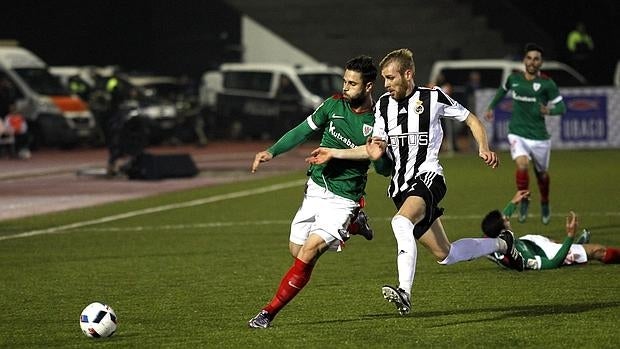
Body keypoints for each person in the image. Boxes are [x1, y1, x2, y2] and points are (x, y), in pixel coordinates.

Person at [307, 48, 524, 317]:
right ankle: (504, 244)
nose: (385, 84)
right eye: (384, 79)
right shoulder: (384, 106)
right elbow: (373, 148)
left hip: (429, 177)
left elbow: (471, 119)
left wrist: (483, 147)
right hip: (401, 188)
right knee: (446, 254)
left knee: (400, 222)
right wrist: (334, 152)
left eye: (390, 78)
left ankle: (404, 292)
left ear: (408, 74)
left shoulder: (432, 98)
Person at [247, 55, 379, 329]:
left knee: (308, 254)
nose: (345, 87)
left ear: (368, 86)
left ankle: (267, 313)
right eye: (344, 81)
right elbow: (302, 131)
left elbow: (385, 167)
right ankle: (355, 225)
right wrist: (272, 151)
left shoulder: (378, 120)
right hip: (316, 188)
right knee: (297, 252)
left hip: (344, 198)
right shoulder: (333, 105)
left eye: (352, 83)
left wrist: (377, 155)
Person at [484, 43, 566, 225]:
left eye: (536, 59)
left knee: (542, 174)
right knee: (522, 165)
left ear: (541, 62)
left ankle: (544, 201)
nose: (532, 62)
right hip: (517, 132)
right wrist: (491, 107)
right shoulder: (514, 79)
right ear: (524, 60)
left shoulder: (547, 84)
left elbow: (562, 107)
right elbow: (502, 91)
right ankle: (524, 200)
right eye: (529, 58)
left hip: (539, 137)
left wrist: (549, 111)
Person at [482, 190, 620, 270]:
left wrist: (514, 202)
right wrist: (570, 236)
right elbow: (553, 263)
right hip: (546, 254)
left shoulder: (491, 238)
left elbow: (496, 224)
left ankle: (572, 247)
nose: (508, 219)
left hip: (529, 242)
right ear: (501, 232)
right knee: (596, 251)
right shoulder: (522, 259)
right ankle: (572, 250)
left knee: (549, 240)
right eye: (505, 221)